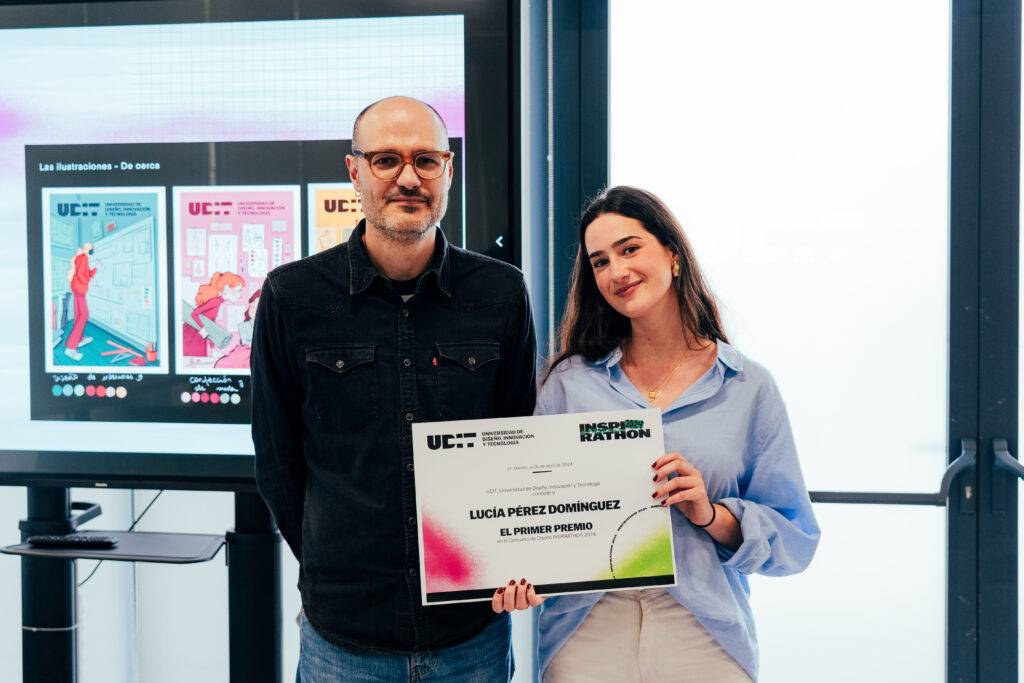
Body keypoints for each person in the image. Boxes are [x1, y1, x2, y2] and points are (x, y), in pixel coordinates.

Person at [251, 96, 537, 682]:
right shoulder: (291, 297)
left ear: (448, 171)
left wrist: (516, 557)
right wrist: (332, 562)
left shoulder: (501, 294)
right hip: (344, 641)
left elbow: (520, 445)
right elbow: (278, 465)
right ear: (354, 171)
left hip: (470, 636)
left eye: (426, 160)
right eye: (386, 160)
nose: (409, 179)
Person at [495, 186, 819, 682]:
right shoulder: (568, 384)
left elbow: (794, 540)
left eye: (629, 249)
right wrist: (516, 571)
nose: (617, 271)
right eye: (600, 262)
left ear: (672, 254)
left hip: (703, 634)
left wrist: (711, 514)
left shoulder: (748, 386)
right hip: (587, 633)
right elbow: (531, 507)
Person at [182, 271, 244, 357]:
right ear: (226, 288)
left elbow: (210, 324)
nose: (240, 295)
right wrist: (203, 329)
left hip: (200, 334)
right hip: (193, 333)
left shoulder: (218, 302)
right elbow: (194, 314)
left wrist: (212, 344)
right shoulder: (215, 301)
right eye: (238, 291)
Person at [64, 241, 98, 361]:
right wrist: (90, 280)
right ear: (89, 250)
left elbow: (85, 273)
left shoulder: (80, 258)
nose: (93, 252)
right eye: (92, 250)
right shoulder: (84, 258)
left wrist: (95, 269)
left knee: (78, 315)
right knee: (84, 315)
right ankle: (70, 348)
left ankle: (79, 339)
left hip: (76, 288)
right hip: (80, 289)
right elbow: (83, 276)